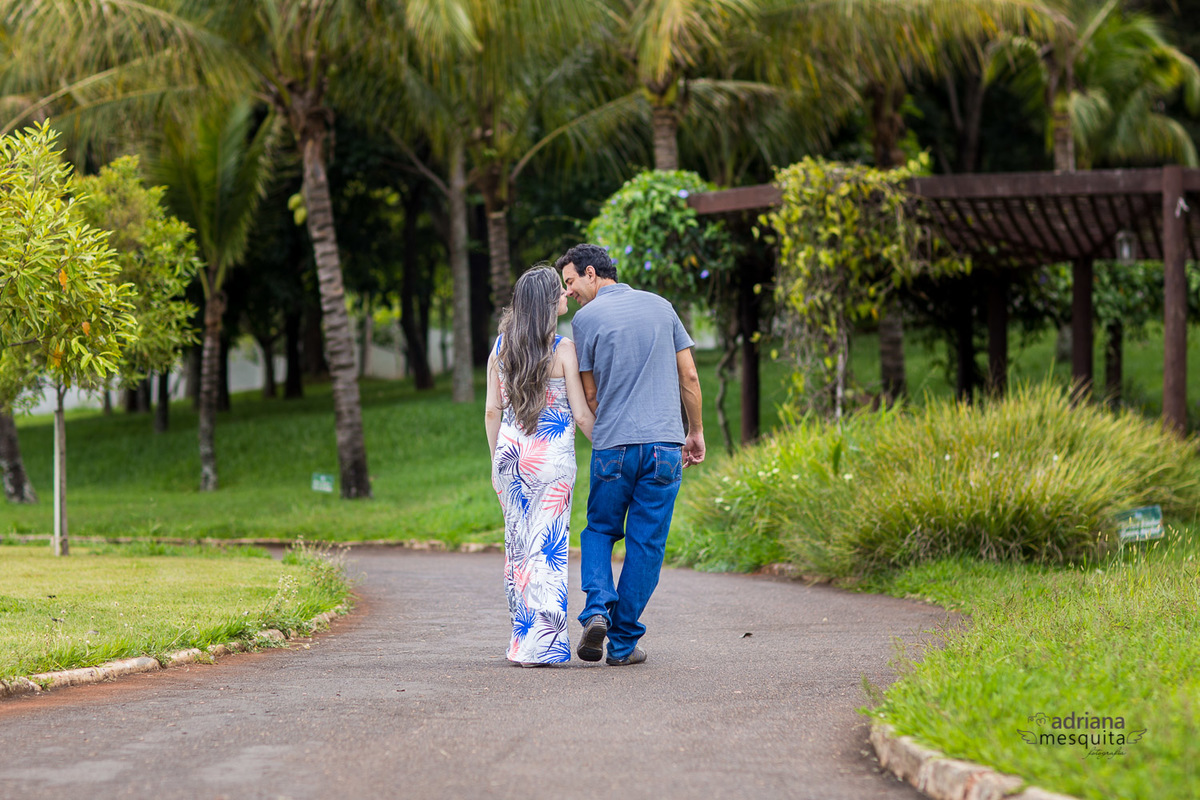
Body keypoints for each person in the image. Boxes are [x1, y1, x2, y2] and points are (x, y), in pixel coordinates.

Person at [556, 243, 705, 667]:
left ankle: (598, 608)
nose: (569, 294)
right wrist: (693, 431)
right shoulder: (662, 306)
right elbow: (689, 374)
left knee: (600, 530)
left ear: (590, 272)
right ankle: (622, 646)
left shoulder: (585, 321)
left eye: (570, 284)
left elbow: (588, 394)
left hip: (613, 447)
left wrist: (615, 422)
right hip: (664, 448)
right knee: (646, 546)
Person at [485, 266, 595, 667]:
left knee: (518, 548)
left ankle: (520, 642)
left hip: (510, 459)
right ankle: (544, 646)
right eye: (560, 293)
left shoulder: (501, 348)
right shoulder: (564, 350)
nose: (566, 296)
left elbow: (491, 410)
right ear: (548, 304)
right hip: (552, 463)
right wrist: (607, 446)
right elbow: (582, 416)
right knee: (547, 550)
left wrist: (497, 462)